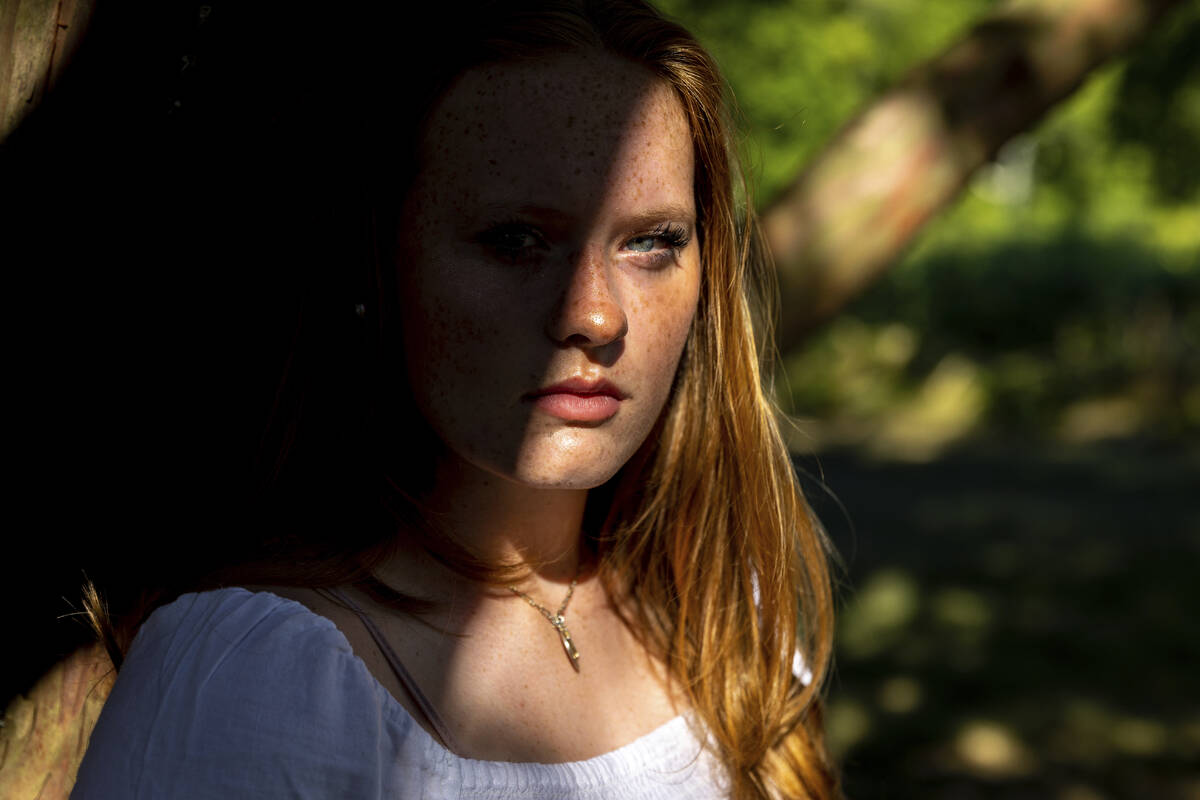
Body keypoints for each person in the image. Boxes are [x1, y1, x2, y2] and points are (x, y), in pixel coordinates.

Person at [68, 1, 838, 798]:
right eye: (515, 240)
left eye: (651, 242)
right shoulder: (260, 679)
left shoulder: (719, 617)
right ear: (378, 259)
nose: (595, 314)